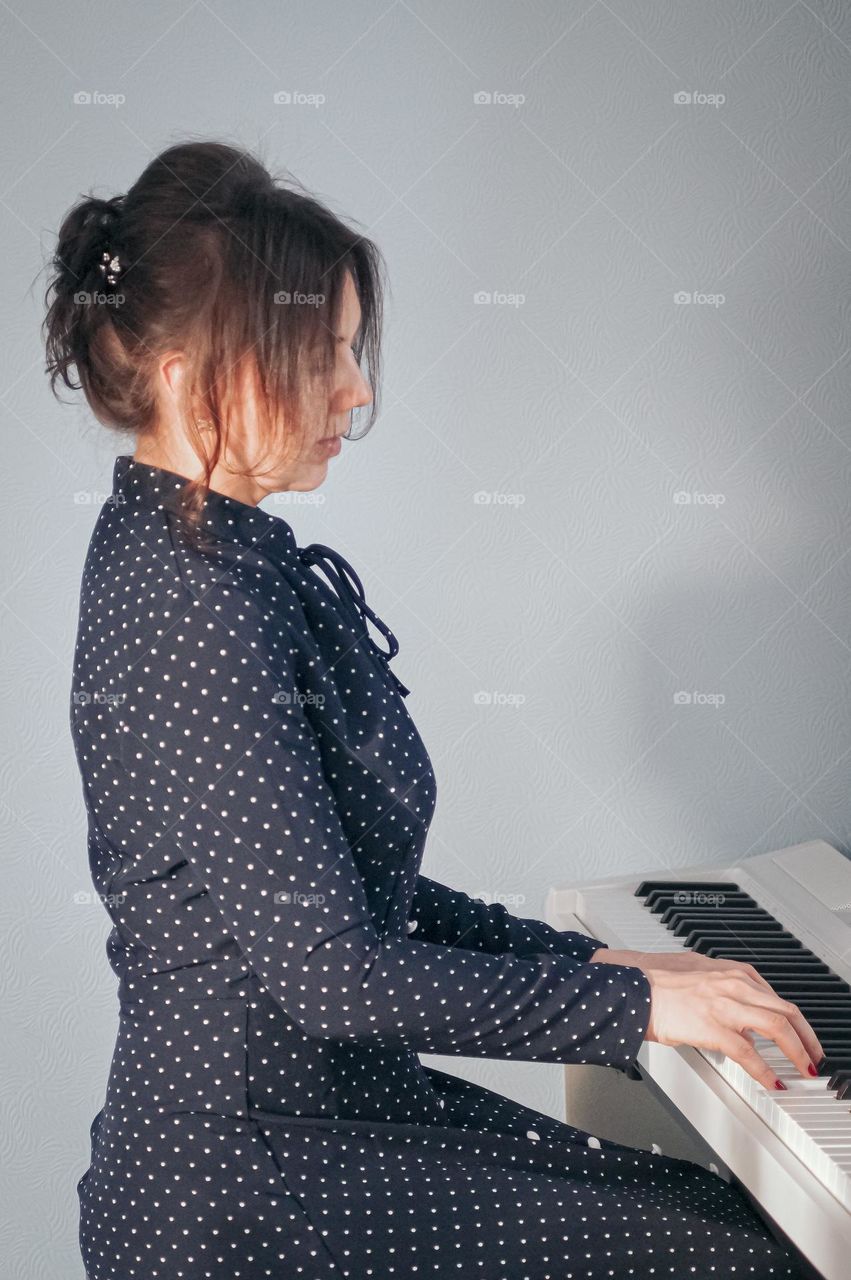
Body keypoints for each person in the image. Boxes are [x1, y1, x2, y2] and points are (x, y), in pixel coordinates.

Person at [43, 139, 819, 1279]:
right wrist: (623, 1010)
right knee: (741, 1252)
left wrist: (611, 968)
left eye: (351, 351)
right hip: (251, 1188)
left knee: (724, 1221)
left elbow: (356, 902)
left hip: (315, 1128)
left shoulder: (209, 560)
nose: (355, 390)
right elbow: (334, 971)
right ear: (190, 372)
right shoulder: (191, 603)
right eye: (321, 353)